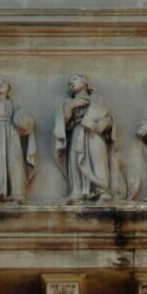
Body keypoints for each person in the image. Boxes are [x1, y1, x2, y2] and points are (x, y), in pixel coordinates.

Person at [54, 74, 120, 203]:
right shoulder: (69, 103)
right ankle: (77, 191)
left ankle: (102, 190)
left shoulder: (98, 100)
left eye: (74, 79)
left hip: (95, 134)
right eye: (69, 81)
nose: (70, 83)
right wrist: (71, 106)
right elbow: (64, 123)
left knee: (98, 160)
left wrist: (106, 123)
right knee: (75, 160)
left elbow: (108, 118)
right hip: (77, 131)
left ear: (85, 82)